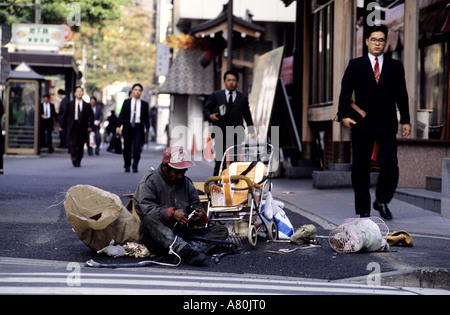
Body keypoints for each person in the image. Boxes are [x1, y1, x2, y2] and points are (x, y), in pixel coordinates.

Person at [337, 24, 411, 220]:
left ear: (385, 43)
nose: (377, 43)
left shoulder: (395, 66)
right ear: (367, 41)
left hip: (387, 124)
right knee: (360, 168)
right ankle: (364, 209)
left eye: (381, 40)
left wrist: (406, 120)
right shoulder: (356, 64)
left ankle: (382, 200)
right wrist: (343, 115)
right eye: (374, 39)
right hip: (362, 124)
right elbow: (345, 92)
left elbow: (401, 95)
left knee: (390, 164)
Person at [133, 146, 229, 266]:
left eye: (183, 171)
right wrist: (171, 213)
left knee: (221, 230)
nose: (180, 176)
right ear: (164, 167)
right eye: (177, 172)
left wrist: (198, 215)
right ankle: (184, 250)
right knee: (150, 217)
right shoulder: (149, 181)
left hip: (183, 234)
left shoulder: (186, 183)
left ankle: (186, 250)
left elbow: (197, 205)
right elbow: (146, 209)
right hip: (158, 236)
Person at [203, 70, 254, 176]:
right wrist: (210, 116)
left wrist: (251, 129)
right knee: (219, 161)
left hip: (236, 134)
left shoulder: (243, 98)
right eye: (229, 80)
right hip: (220, 133)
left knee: (234, 160)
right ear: (224, 82)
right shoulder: (216, 96)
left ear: (237, 83)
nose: (231, 82)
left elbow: (247, 115)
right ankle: (217, 182)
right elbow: (206, 109)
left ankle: (234, 182)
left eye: (233, 80)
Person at [116, 83, 150, 173]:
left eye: (139, 90)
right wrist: (118, 126)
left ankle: (135, 165)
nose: (137, 92)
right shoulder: (126, 102)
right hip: (127, 127)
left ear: (141, 92)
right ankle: (127, 165)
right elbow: (121, 115)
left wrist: (147, 128)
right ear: (132, 91)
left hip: (139, 127)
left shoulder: (144, 104)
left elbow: (146, 117)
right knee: (127, 147)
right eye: (136, 90)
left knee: (137, 147)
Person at [59, 86, 94, 167]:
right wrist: (61, 125)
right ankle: (74, 158)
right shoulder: (70, 104)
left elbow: (91, 116)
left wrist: (90, 125)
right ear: (75, 93)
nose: (79, 93)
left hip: (83, 127)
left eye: (81, 91)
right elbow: (65, 115)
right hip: (73, 126)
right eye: (78, 91)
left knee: (81, 145)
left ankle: (79, 160)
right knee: (73, 144)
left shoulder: (86, 105)